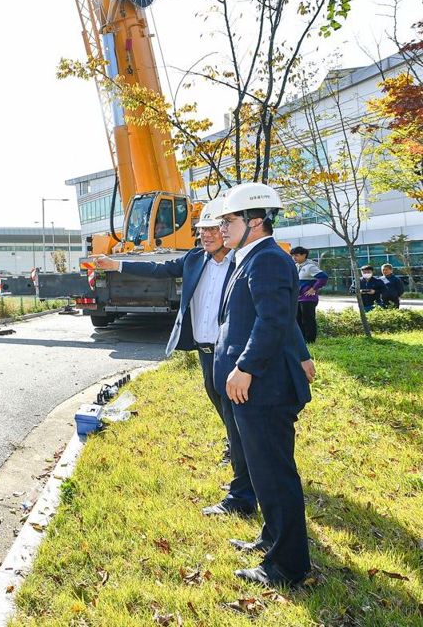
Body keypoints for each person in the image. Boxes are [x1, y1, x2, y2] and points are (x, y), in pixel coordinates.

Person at [214, 182, 313, 588]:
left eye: (229, 220)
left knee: (274, 474)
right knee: (263, 471)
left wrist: (246, 366)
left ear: (255, 222)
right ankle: (272, 539)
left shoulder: (268, 259)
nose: (222, 227)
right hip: (256, 386)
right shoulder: (252, 257)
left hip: (264, 387)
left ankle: (287, 567)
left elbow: (272, 321)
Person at [95, 197, 235, 464]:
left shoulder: (239, 263)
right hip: (205, 348)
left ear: (227, 230)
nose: (206, 235)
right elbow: (158, 269)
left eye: (213, 229)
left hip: (229, 347)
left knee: (233, 402)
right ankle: (235, 441)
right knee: (216, 396)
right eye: (202, 229)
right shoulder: (194, 259)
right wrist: (117, 265)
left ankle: (239, 451)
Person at [290, 246, 328, 343]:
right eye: (293, 256)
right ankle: (302, 340)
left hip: (308, 299)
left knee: (308, 319)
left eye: (297, 255)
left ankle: (310, 340)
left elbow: (323, 277)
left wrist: (313, 288)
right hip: (298, 298)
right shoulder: (296, 266)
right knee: (298, 319)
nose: (294, 258)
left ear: (304, 255)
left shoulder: (310, 267)